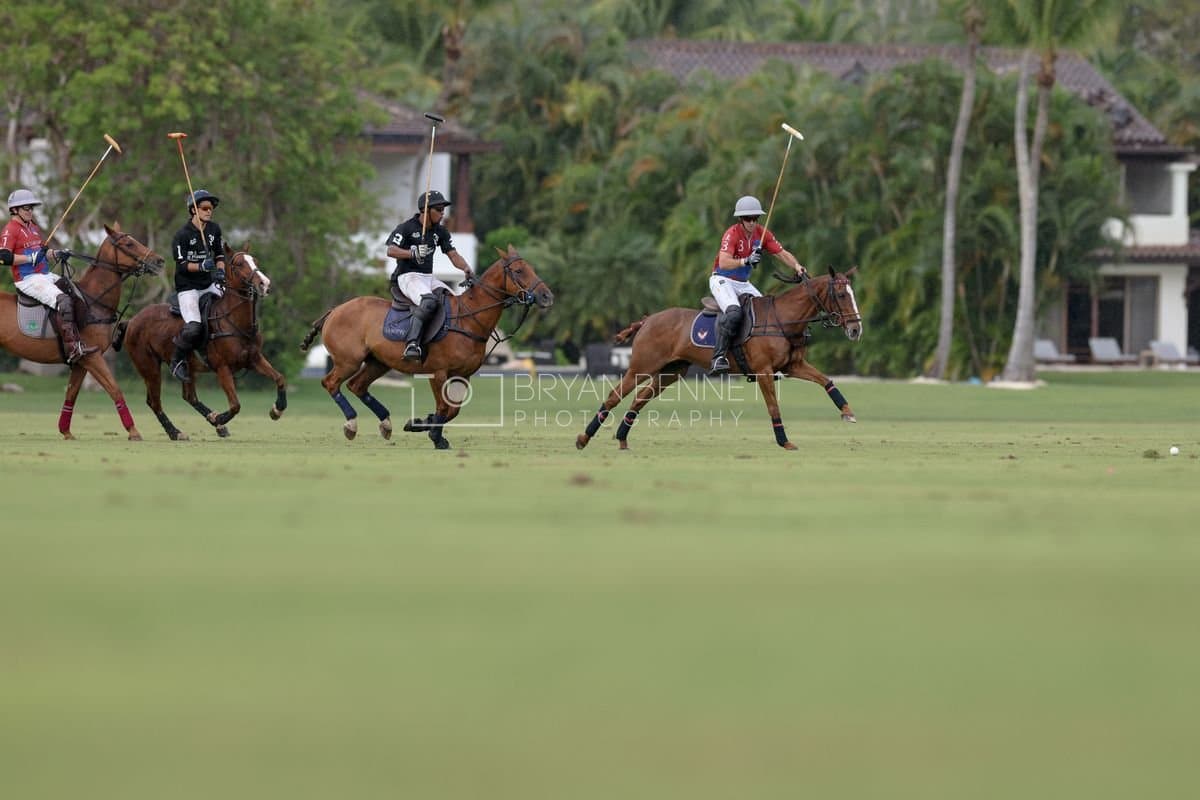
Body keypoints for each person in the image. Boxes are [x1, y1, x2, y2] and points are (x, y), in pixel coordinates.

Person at [708, 194, 807, 375]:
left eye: (755, 218)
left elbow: (781, 253)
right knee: (734, 312)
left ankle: (766, 358)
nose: (752, 222)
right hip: (722, 280)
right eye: (748, 218)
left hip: (743, 283)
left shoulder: (762, 234)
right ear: (741, 219)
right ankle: (719, 357)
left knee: (767, 315)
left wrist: (797, 266)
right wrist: (745, 261)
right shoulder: (732, 234)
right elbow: (723, 262)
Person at [0, 188, 97, 363]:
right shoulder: (10, 230)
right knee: (64, 301)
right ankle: (73, 347)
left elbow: (40, 252)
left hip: (44, 274)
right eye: (26, 208)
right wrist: (30, 258)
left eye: (31, 208)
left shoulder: (33, 228)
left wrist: (55, 253)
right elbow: (3, 257)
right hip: (28, 279)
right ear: (15, 210)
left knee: (75, 292)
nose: (30, 211)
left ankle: (82, 337)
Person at [384, 190, 474, 360]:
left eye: (443, 210)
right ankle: (412, 344)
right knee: (428, 301)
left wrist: (466, 269)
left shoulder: (440, 231)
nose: (442, 213)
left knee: (455, 301)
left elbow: (453, 255)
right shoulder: (406, 228)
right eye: (439, 209)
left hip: (428, 277)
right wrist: (413, 253)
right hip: (407, 276)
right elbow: (391, 250)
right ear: (425, 210)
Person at [169, 189, 226, 381]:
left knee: (232, 305)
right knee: (193, 327)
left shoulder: (214, 230)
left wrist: (220, 270)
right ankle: (176, 360)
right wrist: (201, 265)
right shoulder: (181, 235)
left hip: (209, 283)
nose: (209, 211)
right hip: (188, 287)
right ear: (193, 210)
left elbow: (219, 254)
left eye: (211, 208)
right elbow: (182, 265)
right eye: (205, 208)